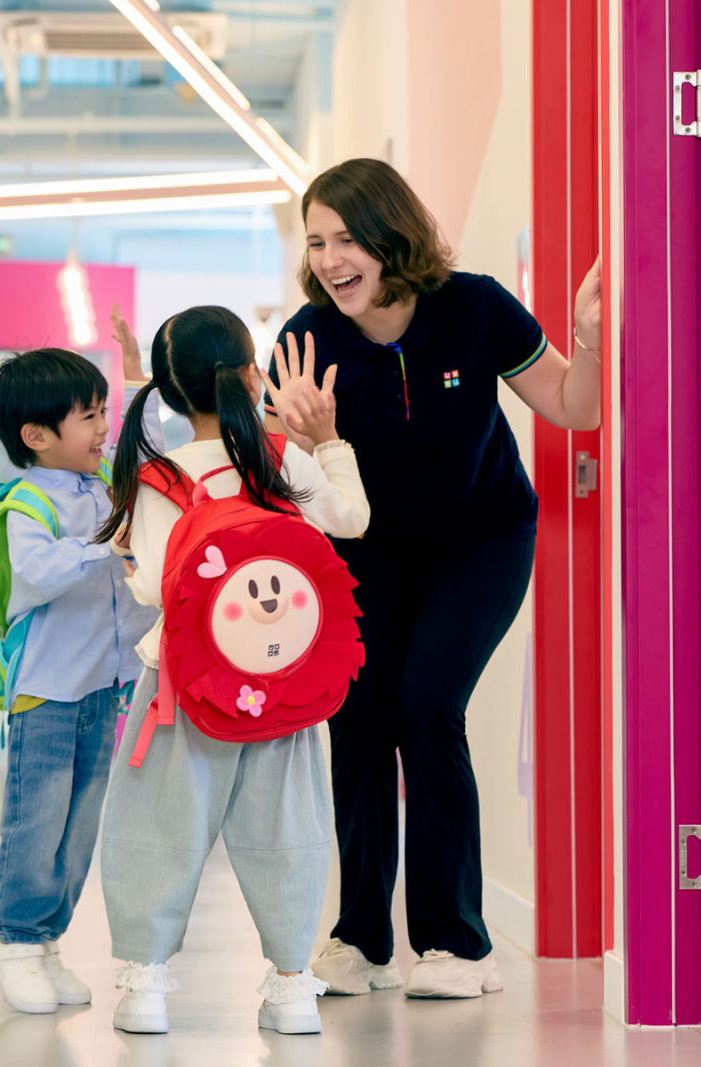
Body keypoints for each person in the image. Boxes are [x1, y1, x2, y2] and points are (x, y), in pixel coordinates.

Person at [263, 158, 601, 999]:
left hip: (479, 536)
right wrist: (307, 436)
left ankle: (456, 944)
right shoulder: (304, 340)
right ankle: (360, 939)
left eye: (347, 238)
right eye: (316, 242)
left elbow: (572, 406)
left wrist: (592, 343)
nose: (332, 257)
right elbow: (291, 482)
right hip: (366, 549)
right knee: (362, 717)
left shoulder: (474, 304)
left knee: (426, 706)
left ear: (389, 234)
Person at [96, 305, 370, 1035]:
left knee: (161, 822)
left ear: (164, 388)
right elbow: (351, 519)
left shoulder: (155, 474)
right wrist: (330, 441)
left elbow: (156, 585)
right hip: (282, 677)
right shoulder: (281, 455)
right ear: (251, 375)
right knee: (286, 827)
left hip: (184, 680)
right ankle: (290, 987)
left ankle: (146, 985)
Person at [0, 333, 160, 1014]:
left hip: (103, 690)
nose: (101, 425)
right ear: (36, 433)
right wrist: (100, 545)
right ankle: (16, 942)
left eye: (101, 410)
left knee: (81, 824)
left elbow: (152, 441)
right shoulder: (29, 500)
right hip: (45, 691)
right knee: (36, 821)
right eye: (87, 415)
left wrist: (141, 376)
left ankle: (49, 942)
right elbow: (38, 570)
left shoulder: (104, 484)